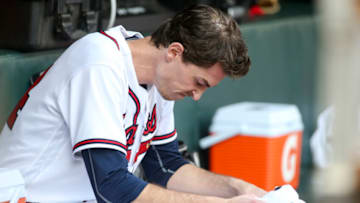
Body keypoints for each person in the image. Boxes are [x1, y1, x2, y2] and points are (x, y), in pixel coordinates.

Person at [0, 4, 266, 203]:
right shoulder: (100, 63)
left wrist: (240, 189)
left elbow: (166, 166)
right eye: (199, 82)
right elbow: (111, 185)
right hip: (25, 196)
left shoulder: (161, 81)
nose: (197, 95)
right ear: (174, 52)